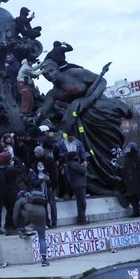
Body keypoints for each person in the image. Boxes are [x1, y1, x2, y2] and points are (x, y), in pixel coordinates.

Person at [37, 59, 131, 194]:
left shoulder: (76, 74)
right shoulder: (53, 93)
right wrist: (36, 116)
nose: (50, 76)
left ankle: (113, 176)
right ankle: (97, 180)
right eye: (46, 75)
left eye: (51, 71)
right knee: (88, 148)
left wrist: (89, 99)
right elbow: (44, 109)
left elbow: (102, 82)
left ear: (57, 68)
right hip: (81, 121)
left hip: (98, 109)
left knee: (107, 146)